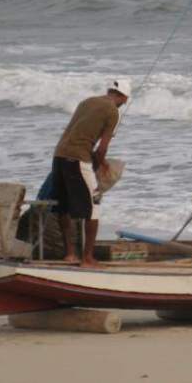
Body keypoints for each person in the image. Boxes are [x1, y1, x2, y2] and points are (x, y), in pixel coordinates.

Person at [51, 79, 130, 267]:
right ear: (124, 98)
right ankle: (88, 258)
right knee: (94, 206)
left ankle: (70, 254)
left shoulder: (87, 101)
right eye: (125, 101)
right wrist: (102, 164)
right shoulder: (113, 111)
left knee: (64, 206)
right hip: (78, 158)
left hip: (59, 155)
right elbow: (102, 149)